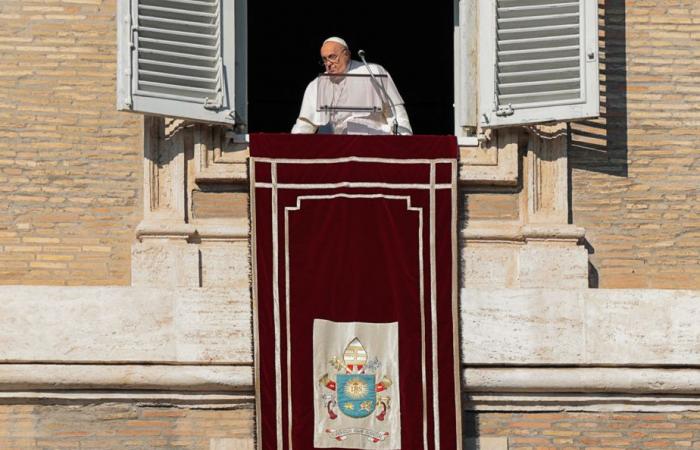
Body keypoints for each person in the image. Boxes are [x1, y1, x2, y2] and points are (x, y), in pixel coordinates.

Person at [291, 37, 412, 135]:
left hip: (372, 144)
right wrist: (292, 147)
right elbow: (305, 124)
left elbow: (395, 112)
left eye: (332, 57)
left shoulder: (373, 72)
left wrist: (403, 142)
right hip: (335, 148)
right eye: (324, 59)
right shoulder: (316, 85)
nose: (328, 64)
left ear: (347, 54)